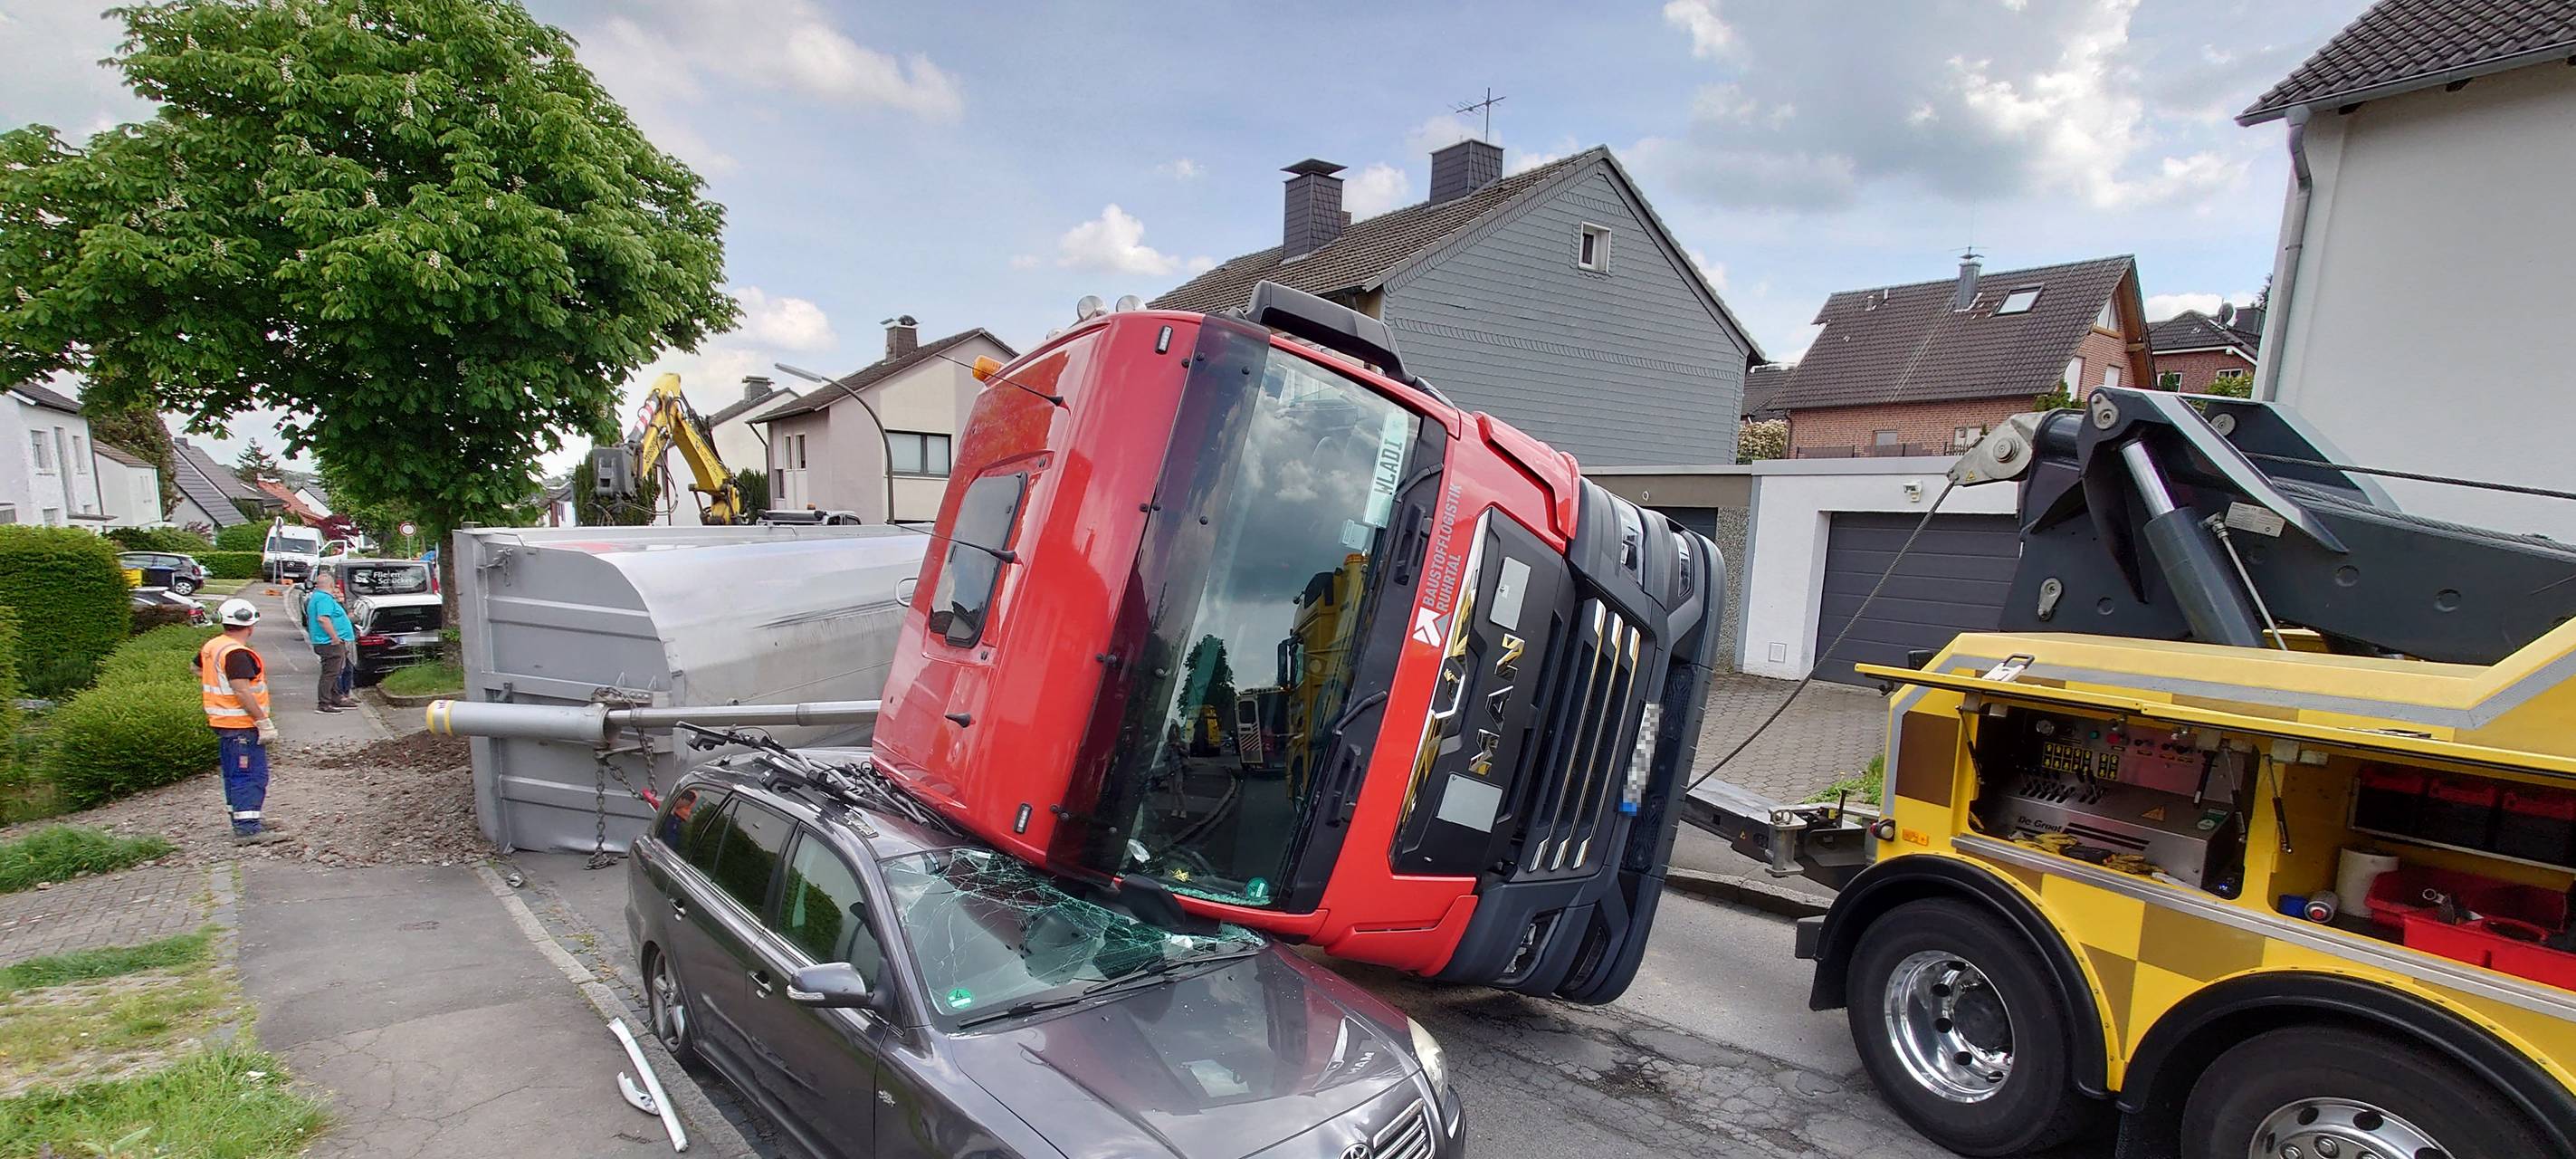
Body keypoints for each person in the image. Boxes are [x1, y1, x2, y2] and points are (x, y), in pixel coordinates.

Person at [196, 599, 288, 846]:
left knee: (235, 773)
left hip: (224, 722)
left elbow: (196, 668)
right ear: (251, 624)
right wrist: (262, 721)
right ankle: (248, 827)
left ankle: (244, 817)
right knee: (250, 775)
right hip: (241, 725)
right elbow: (242, 691)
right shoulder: (237, 654)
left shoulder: (214, 645)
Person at [301, 580, 359, 713]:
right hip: (329, 642)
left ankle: (336, 698)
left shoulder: (317, 597)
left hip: (326, 641)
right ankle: (324, 703)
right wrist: (335, 637)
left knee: (334, 672)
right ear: (331, 585)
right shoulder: (324, 598)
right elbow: (323, 619)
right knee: (330, 673)